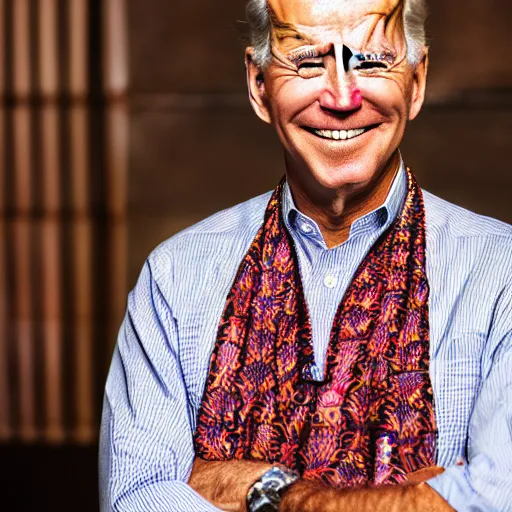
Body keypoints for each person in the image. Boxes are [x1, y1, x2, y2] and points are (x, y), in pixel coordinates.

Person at [99, 0, 512, 510]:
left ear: (417, 79)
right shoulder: (174, 279)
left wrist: (264, 491)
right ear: (259, 85)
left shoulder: (501, 276)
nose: (342, 96)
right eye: (309, 61)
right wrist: (412, 498)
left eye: (372, 60)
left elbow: (493, 501)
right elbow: (135, 499)